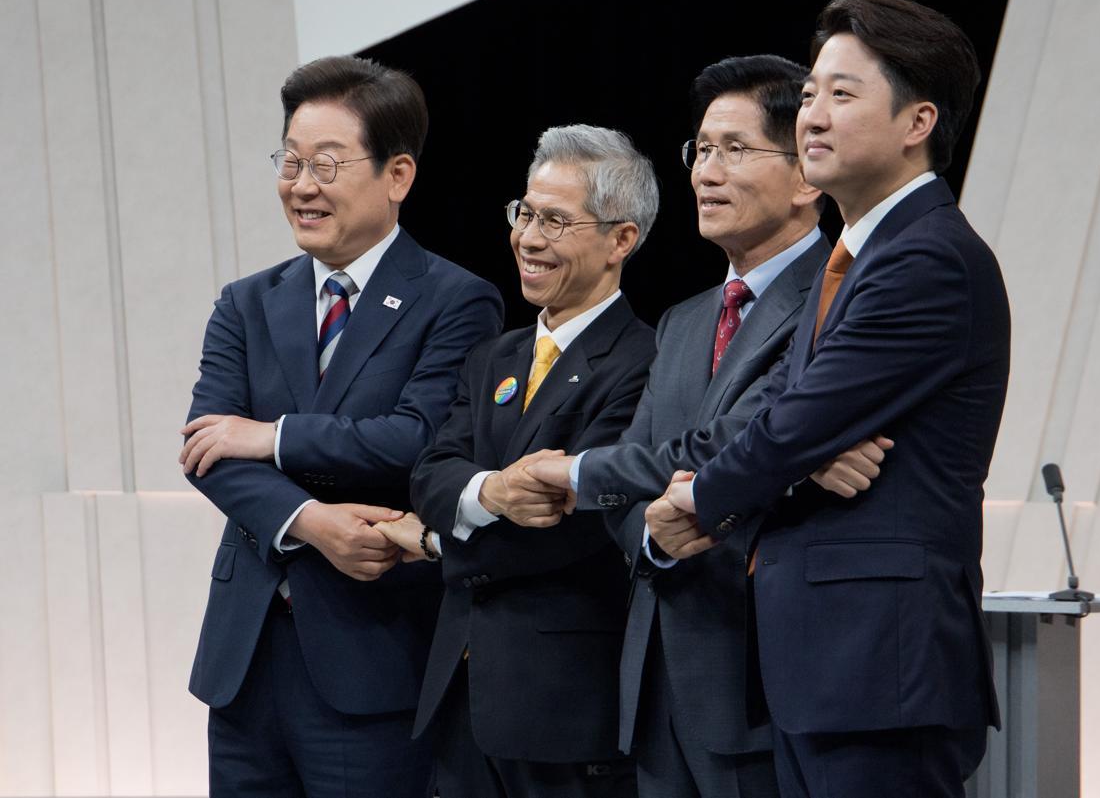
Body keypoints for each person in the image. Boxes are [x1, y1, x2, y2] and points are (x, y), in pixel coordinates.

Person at [660, 0, 1010, 798]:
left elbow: (794, 422)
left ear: (918, 121)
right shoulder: (851, 258)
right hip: (825, 665)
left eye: (841, 94)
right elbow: (788, 418)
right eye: (811, 93)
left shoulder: (928, 257)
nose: (811, 116)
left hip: (882, 665)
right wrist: (786, 461)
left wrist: (698, 499)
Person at [179, 55, 503, 798]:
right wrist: (311, 522)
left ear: (398, 175)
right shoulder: (246, 302)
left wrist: (272, 435)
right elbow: (208, 449)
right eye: (290, 161)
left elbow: (418, 439)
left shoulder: (456, 299)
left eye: (325, 164)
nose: (301, 185)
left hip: (374, 651)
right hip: (244, 659)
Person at [527, 55, 838, 798]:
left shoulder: (837, 300)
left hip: (766, 679)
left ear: (805, 175)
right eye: (700, 149)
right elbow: (633, 465)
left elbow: (743, 445)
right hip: (657, 684)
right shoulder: (683, 319)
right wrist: (654, 537)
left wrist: (582, 475)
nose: (706, 172)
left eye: (734, 149)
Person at [378, 124, 658, 798]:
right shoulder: (493, 356)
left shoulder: (646, 359)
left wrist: (436, 539)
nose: (529, 238)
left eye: (555, 221)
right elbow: (429, 474)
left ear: (621, 238)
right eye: (525, 214)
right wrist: (492, 492)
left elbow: (579, 523)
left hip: (565, 706)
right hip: (458, 693)